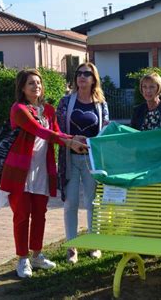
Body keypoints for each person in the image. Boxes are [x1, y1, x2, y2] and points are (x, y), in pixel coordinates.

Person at [0, 69, 88, 278]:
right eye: (31, 83)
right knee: (21, 216)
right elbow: (40, 131)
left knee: (40, 215)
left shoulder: (47, 109)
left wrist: (75, 138)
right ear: (22, 87)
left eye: (38, 82)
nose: (36, 86)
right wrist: (68, 141)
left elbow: (56, 132)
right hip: (20, 172)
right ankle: (22, 259)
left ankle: (37, 255)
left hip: (42, 171)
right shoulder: (18, 109)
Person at [57, 62, 110, 264]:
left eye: (87, 74)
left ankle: (93, 243)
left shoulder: (100, 104)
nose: (82, 77)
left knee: (92, 202)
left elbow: (104, 131)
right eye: (79, 74)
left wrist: (89, 142)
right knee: (71, 203)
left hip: (92, 159)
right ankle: (72, 247)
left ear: (94, 78)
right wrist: (72, 139)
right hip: (69, 158)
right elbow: (57, 130)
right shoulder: (65, 101)